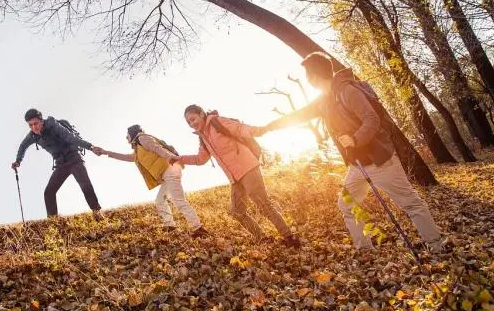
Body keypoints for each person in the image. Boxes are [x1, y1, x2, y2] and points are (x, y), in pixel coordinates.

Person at [264, 52, 442, 251]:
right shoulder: (324, 100)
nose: (307, 79)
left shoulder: (347, 91)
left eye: (307, 74)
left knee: (411, 204)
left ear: (313, 76)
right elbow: (299, 115)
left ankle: (436, 246)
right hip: (357, 166)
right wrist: (267, 127)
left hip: (381, 161)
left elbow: (372, 119)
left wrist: (355, 139)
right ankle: (365, 249)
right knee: (347, 205)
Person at [173, 106, 301, 248]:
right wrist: (180, 159)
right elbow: (200, 159)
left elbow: (240, 129)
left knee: (263, 204)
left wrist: (260, 130)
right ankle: (263, 238)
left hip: (248, 167)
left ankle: (289, 237)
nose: (192, 123)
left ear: (202, 114)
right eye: (188, 122)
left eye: (193, 119)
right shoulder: (203, 138)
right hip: (234, 178)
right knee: (237, 212)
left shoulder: (217, 122)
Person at [99, 125, 209, 238]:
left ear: (132, 133)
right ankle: (170, 226)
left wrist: (169, 157)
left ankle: (199, 228)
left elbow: (157, 148)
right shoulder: (138, 148)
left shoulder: (142, 138)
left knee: (179, 201)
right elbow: (127, 157)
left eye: (127, 135)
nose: (126, 137)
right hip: (167, 173)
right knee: (160, 201)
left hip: (170, 169)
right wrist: (106, 152)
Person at [11, 108, 104, 218]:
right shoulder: (32, 136)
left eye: (35, 123)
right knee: (49, 192)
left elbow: (71, 138)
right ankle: (53, 220)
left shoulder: (53, 125)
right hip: (60, 165)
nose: (33, 127)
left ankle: (96, 211)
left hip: (74, 158)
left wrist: (91, 147)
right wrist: (18, 161)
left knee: (85, 184)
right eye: (30, 125)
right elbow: (23, 146)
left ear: (41, 120)